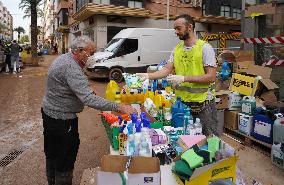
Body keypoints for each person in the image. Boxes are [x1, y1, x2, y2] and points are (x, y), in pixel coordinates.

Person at [41, 36, 136, 185]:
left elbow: (72, 84)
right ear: (80, 51)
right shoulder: (70, 66)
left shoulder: (66, 58)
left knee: (52, 153)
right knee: (65, 158)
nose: (92, 56)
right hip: (62, 120)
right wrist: (119, 107)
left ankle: (52, 181)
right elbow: (89, 99)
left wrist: (86, 89)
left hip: (50, 113)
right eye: (90, 53)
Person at [137, 14, 218, 136]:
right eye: (175, 29)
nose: (176, 32)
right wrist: (147, 76)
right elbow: (166, 70)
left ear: (189, 27)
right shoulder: (177, 49)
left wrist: (184, 78)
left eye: (178, 28)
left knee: (209, 139)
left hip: (203, 105)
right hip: (182, 105)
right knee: (185, 138)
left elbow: (211, 76)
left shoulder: (205, 48)